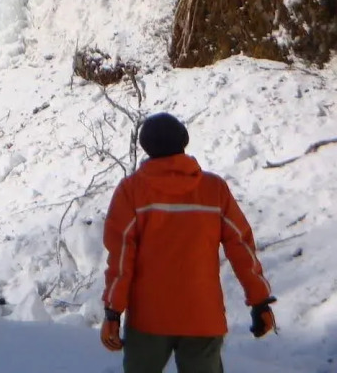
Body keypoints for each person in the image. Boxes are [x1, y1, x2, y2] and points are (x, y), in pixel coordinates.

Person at [100, 113, 276, 373]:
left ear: (145, 147)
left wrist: (113, 312)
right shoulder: (214, 189)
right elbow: (241, 246)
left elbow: (120, 258)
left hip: (148, 320)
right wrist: (260, 301)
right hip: (203, 318)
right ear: (185, 140)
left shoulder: (131, 191)